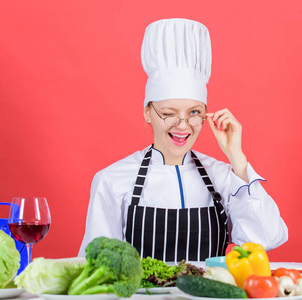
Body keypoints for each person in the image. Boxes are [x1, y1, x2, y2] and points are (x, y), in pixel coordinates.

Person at [78, 18, 288, 262]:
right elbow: (95, 265)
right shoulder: (113, 180)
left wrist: (238, 160)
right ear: (148, 112)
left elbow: (266, 238)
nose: (182, 126)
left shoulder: (223, 177)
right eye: (168, 114)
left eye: (194, 113)